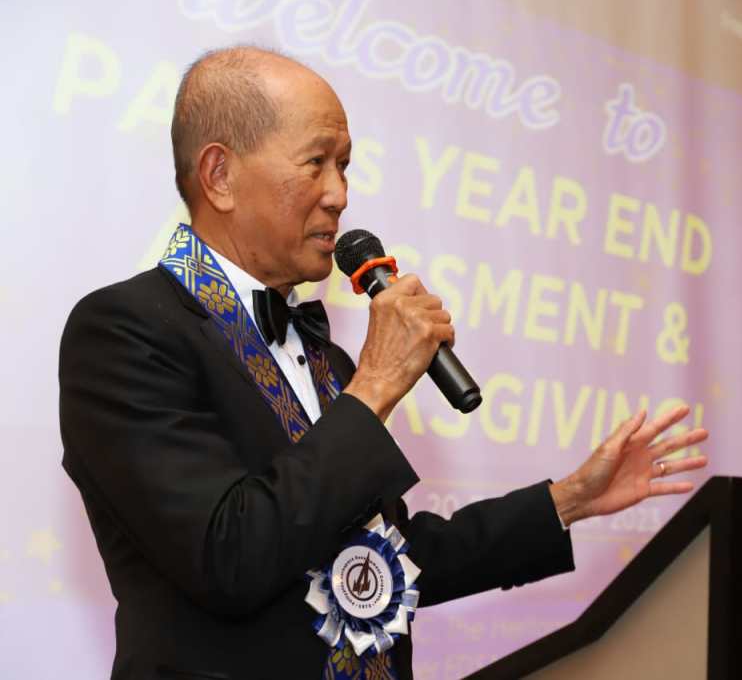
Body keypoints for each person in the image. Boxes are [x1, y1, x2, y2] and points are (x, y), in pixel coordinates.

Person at [58, 46, 708, 680]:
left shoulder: (327, 359)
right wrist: (375, 385)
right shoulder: (123, 332)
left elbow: (374, 567)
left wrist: (567, 500)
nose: (339, 194)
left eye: (344, 166)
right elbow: (229, 556)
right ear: (220, 175)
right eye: (316, 163)